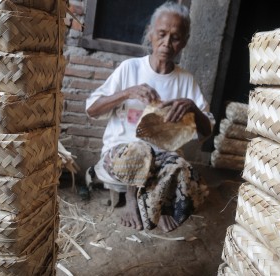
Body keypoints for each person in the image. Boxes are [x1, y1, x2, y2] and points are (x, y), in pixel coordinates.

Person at [85, 1, 215, 233]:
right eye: (162, 34)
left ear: (184, 42)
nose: (166, 43)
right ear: (150, 33)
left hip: (160, 159)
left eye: (175, 37)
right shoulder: (130, 69)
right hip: (122, 156)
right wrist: (127, 92)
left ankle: (160, 207)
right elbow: (92, 110)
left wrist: (193, 108)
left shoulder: (185, 80)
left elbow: (207, 131)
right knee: (139, 149)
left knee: (186, 171)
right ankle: (133, 200)